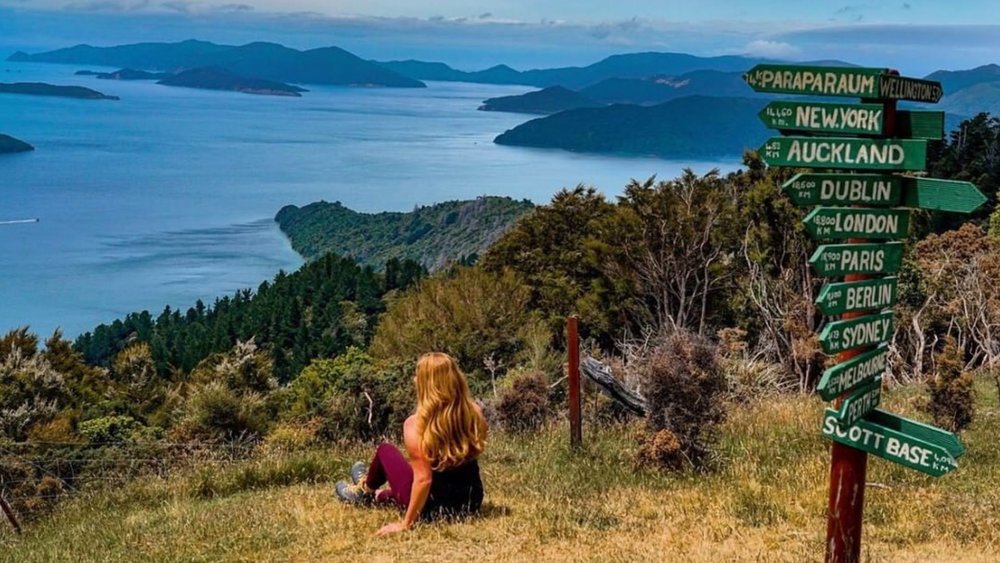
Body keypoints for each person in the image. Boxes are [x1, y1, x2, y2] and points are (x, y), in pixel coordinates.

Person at [334, 352, 487, 535]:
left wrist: (405, 524)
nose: (414, 379)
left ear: (425, 383)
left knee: (386, 450)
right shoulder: (475, 412)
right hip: (470, 503)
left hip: (430, 508)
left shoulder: (415, 425)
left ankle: (365, 490)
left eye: (417, 375)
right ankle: (376, 494)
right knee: (411, 473)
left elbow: (423, 479)